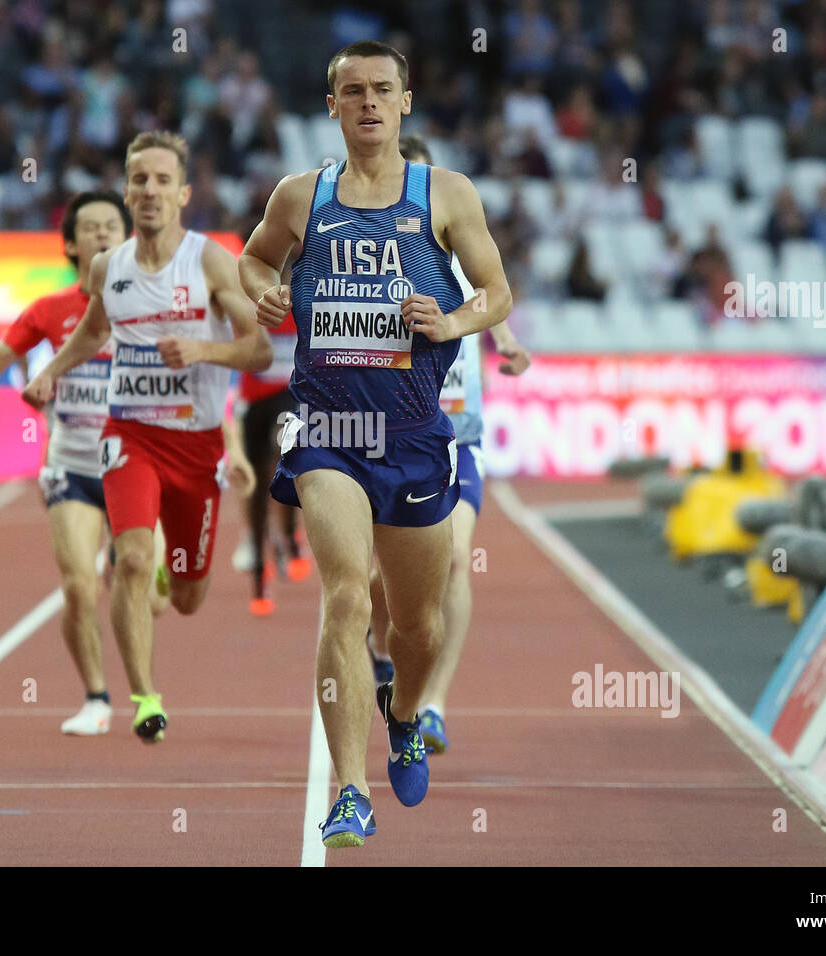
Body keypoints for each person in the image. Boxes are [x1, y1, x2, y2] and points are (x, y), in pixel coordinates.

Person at [238, 41, 512, 847]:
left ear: (404, 102)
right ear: (332, 106)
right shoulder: (301, 195)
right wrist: (266, 293)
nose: (366, 102)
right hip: (327, 429)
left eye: (381, 90)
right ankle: (350, 791)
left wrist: (452, 320)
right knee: (348, 596)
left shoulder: (446, 194)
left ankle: (403, 712)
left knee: (417, 626)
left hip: (417, 436)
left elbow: (497, 292)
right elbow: (254, 261)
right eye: (351, 91)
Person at [24, 131, 270, 743]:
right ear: (128, 191)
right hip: (129, 435)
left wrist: (202, 349)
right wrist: (50, 373)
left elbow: (259, 349)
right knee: (130, 559)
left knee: (187, 594)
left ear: (183, 193)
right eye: (139, 180)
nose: (149, 191)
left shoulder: (209, 260)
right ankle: (143, 697)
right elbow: (88, 333)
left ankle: (171, 577)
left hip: (197, 447)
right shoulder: (111, 266)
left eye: (162, 180)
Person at [0, 190, 170, 737]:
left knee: (151, 592)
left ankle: (144, 627)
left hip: (137, 464)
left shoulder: (157, 300)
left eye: (109, 226)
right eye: (89, 227)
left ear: (128, 235)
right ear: (70, 243)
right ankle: (97, 697)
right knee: (76, 587)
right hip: (71, 466)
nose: (100, 235)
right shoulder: (49, 311)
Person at [364, 135, 531, 756]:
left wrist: (507, 344)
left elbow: (490, 299)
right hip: (386, 435)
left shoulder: (459, 242)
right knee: (385, 576)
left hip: (456, 439)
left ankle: (432, 704)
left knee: (457, 559)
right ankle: (383, 653)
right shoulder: (365, 255)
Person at [232, 260, 311, 617]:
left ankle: (291, 535)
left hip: (288, 398)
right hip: (252, 403)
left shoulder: (303, 302)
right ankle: (260, 562)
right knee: (254, 481)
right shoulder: (246, 305)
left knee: (283, 455)